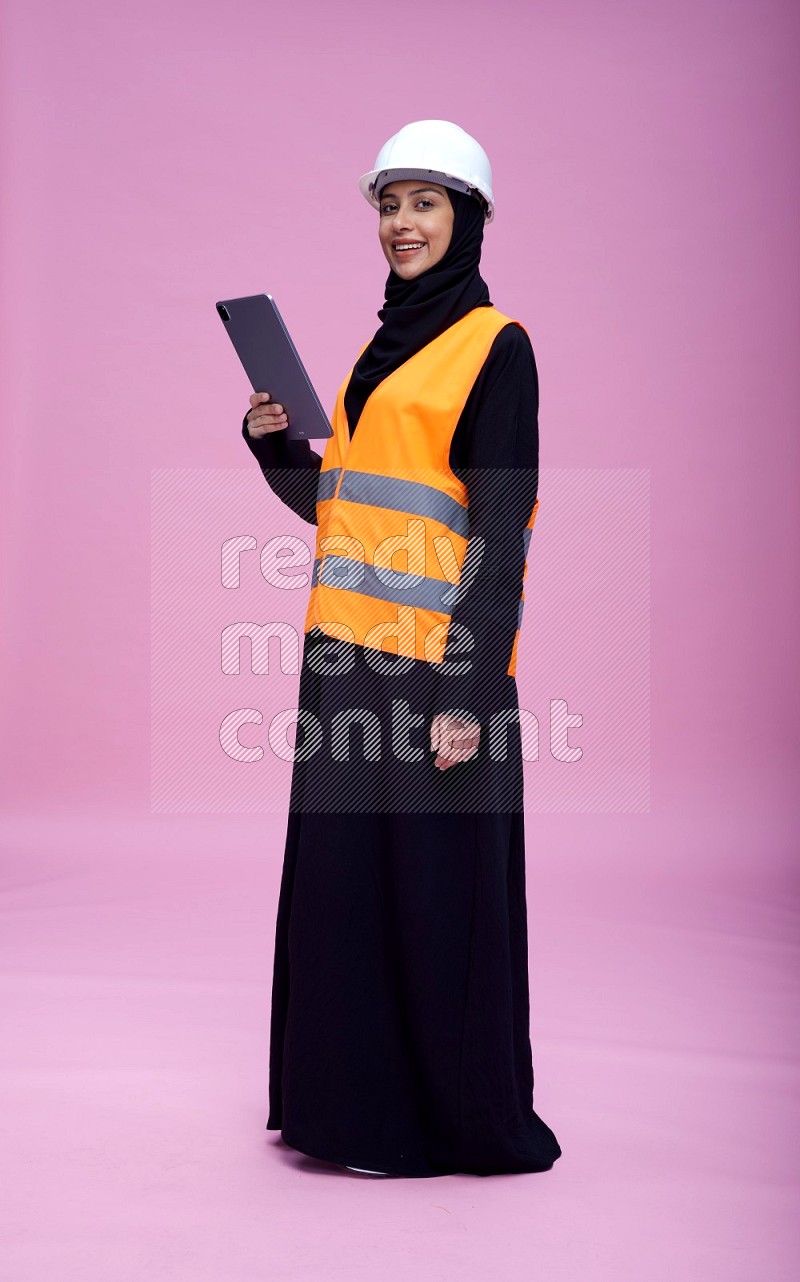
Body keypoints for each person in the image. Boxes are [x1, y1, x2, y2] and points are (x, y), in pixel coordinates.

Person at [241, 120, 562, 1178]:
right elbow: (345, 509)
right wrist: (277, 447)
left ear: (466, 218)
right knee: (349, 892)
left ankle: (431, 1125)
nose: (401, 224)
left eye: (424, 203)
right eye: (389, 204)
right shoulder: (380, 351)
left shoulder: (493, 346)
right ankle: (345, 1113)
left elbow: (495, 535)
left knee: (429, 901)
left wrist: (468, 696)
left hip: (432, 675)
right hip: (343, 663)